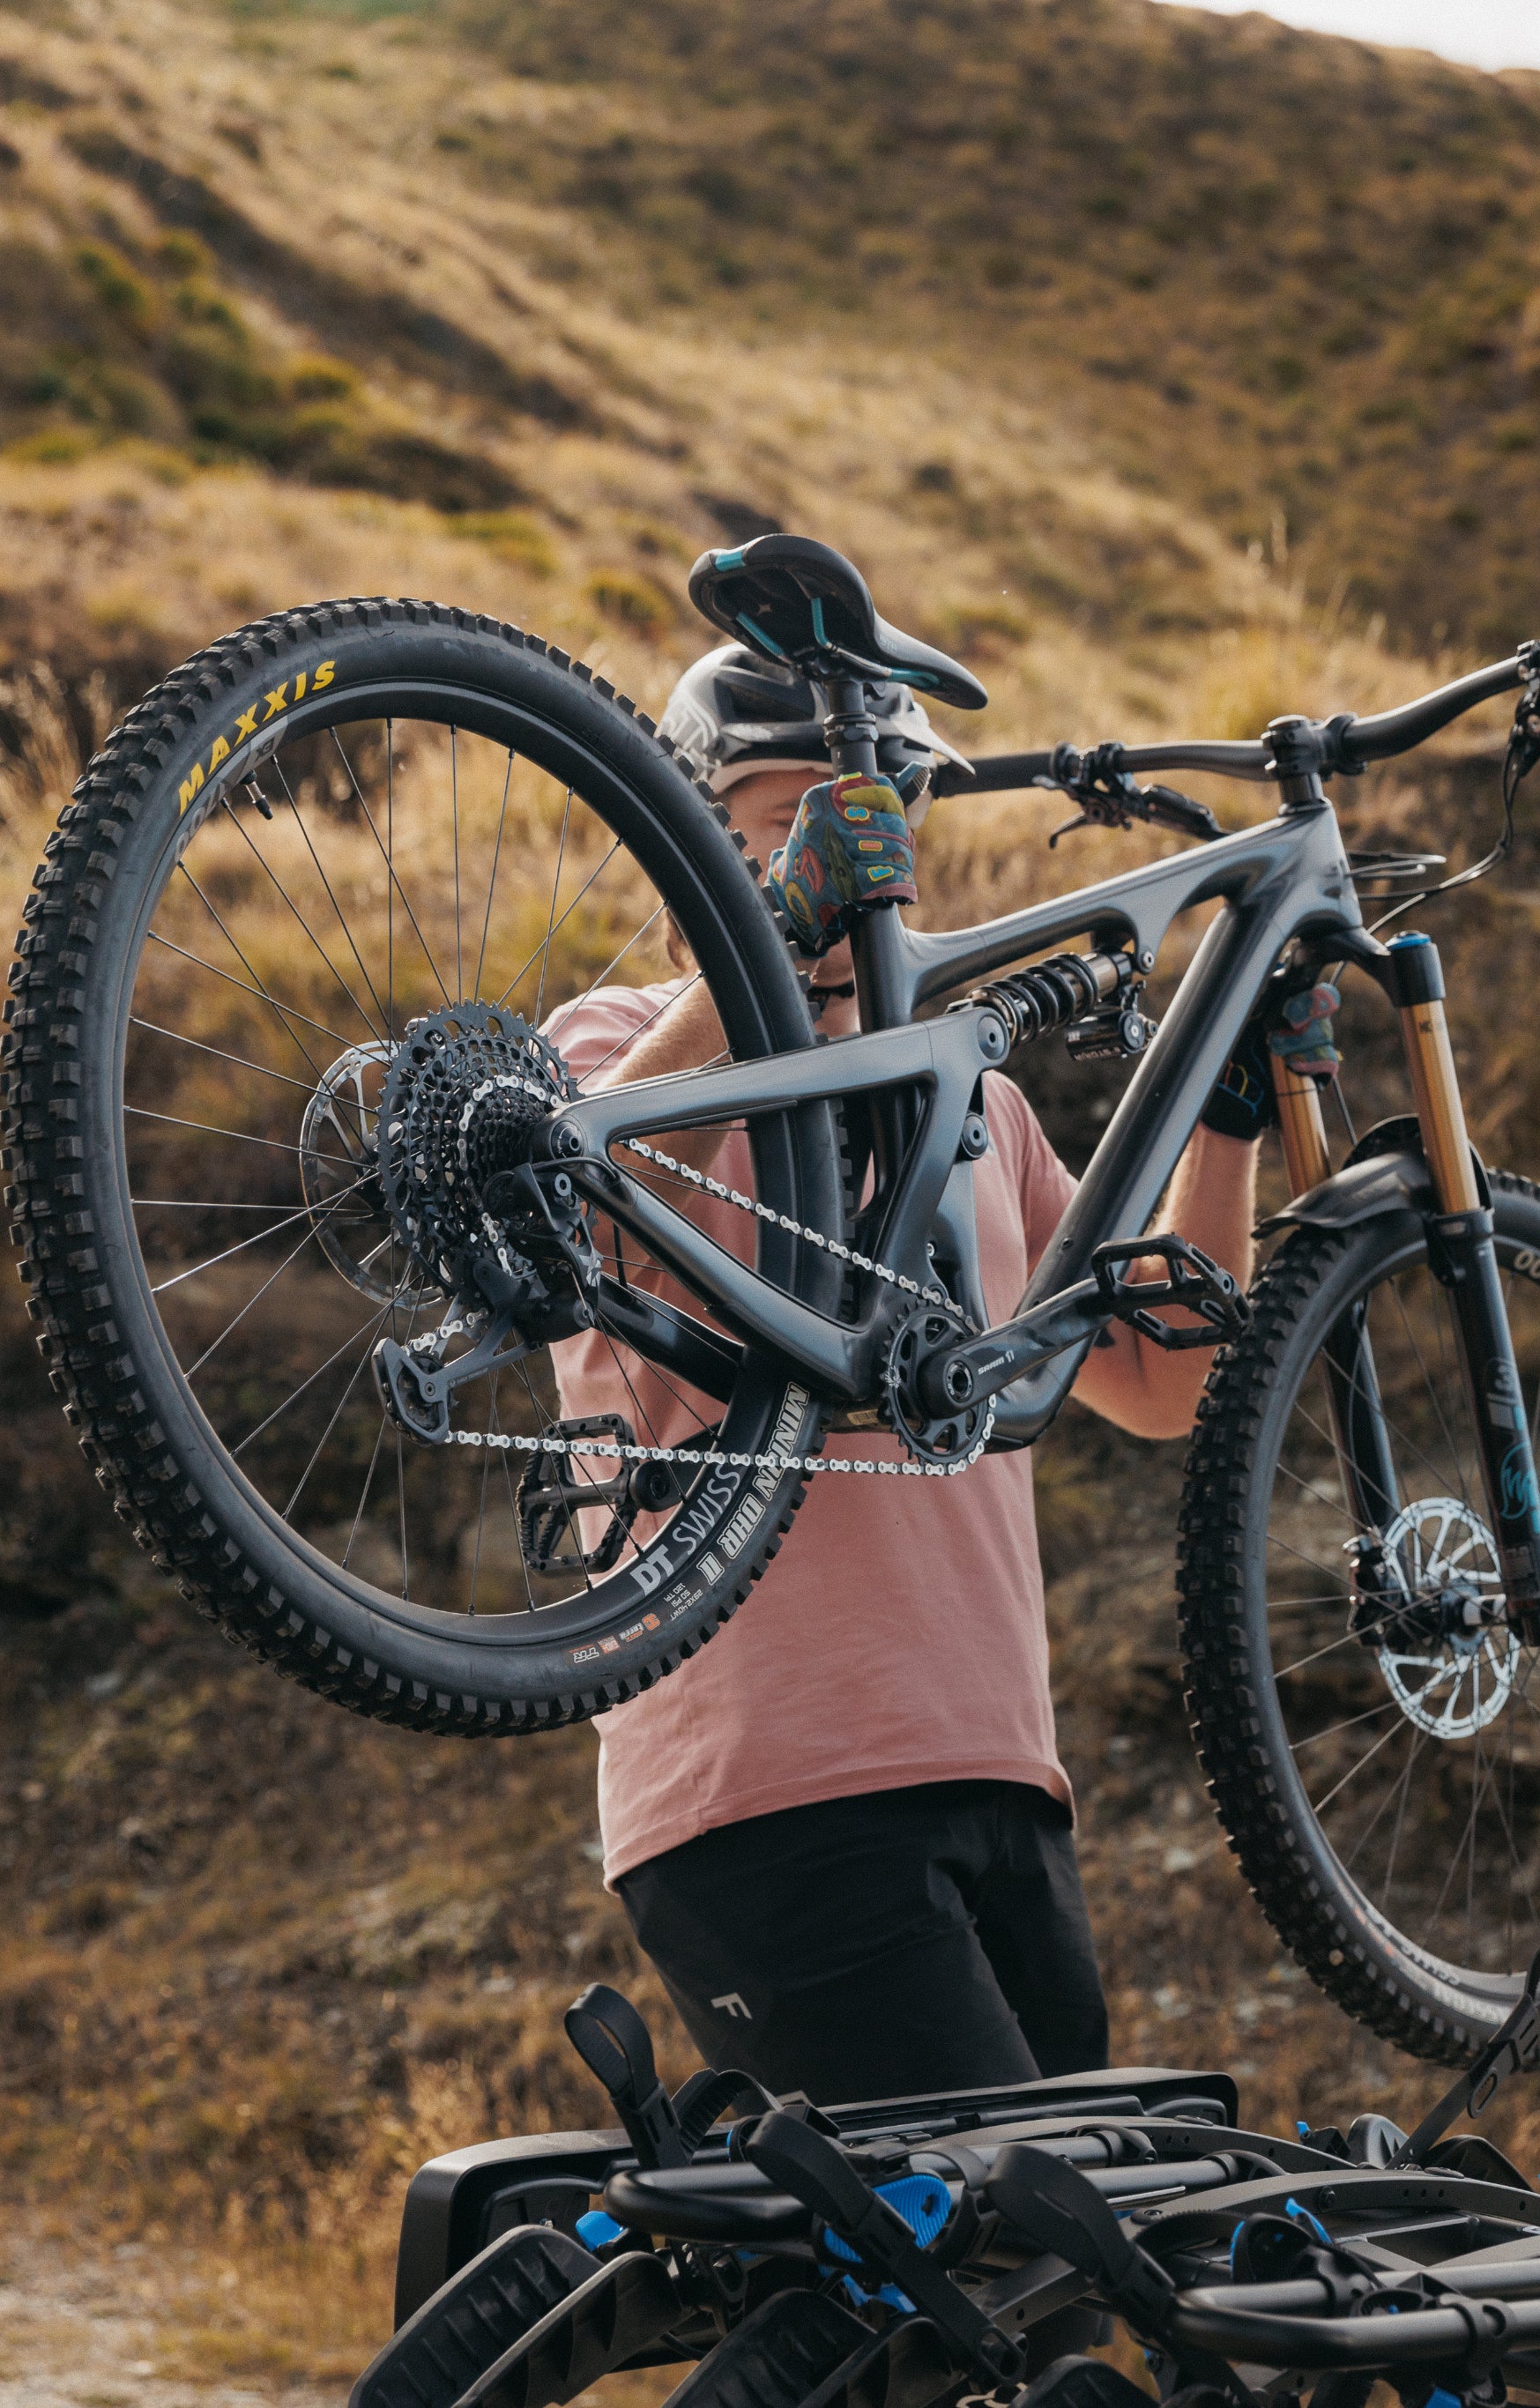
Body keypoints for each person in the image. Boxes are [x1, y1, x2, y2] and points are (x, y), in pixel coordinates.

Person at [540, 645, 1319, 2107]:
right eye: (774, 835)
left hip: (994, 1773)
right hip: (765, 1784)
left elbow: (1158, 1383)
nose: (830, 866)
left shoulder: (984, 1109)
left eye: (863, 826)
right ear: (690, 857)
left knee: (968, 2303)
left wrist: (1228, 1128)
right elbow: (572, 1223)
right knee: (1018, 2259)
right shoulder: (609, 1046)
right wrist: (763, 932)